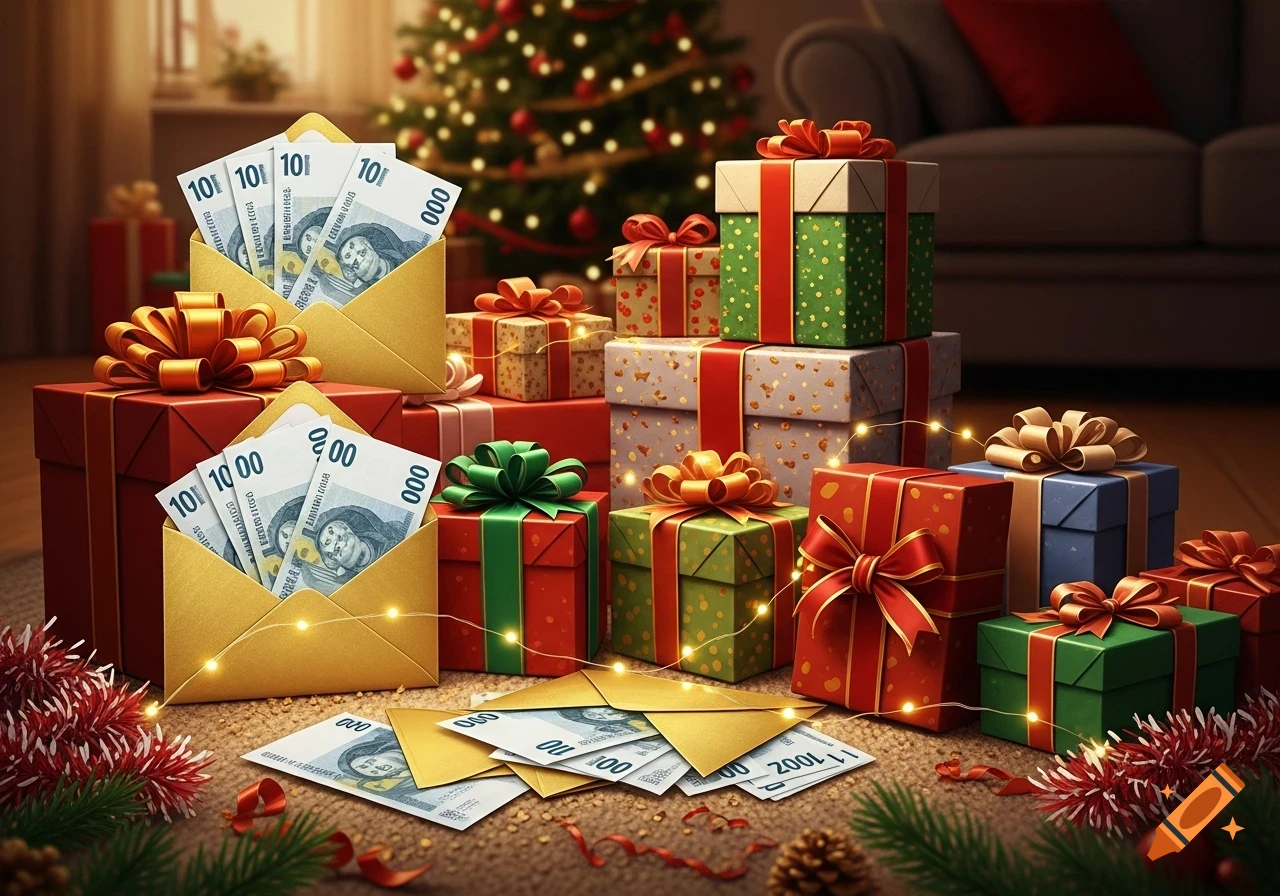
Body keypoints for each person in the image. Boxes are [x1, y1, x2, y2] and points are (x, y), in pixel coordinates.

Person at [311, 504, 401, 584]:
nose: (335, 539)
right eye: (328, 542)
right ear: (331, 557)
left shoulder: (396, 532)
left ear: (346, 528)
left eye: (332, 531)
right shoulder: (350, 587)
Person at [332, 222, 424, 291]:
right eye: (348, 255)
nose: (356, 252)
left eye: (354, 245)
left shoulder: (411, 250)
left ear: (367, 243)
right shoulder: (365, 300)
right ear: (348, 270)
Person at [336, 729, 416, 794]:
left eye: (363, 766)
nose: (376, 767)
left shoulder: (389, 736)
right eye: (374, 772)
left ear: (366, 755)